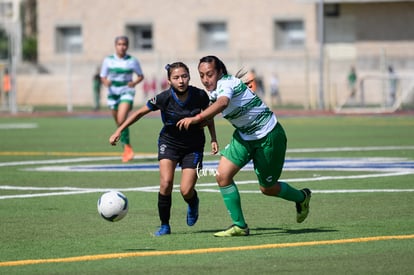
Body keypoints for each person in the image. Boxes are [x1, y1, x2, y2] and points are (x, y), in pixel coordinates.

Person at [177, 55, 311, 237]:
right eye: (201, 75)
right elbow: (212, 107)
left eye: (209, 74)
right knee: (222, 176)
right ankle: (240, 226)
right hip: (244, 137)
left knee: (267, 188)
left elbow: (222, 103)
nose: (205, 79)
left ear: (220, 72)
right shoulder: (214, 90)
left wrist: (197, 118)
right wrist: (209, 133)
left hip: (269, 136)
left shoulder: (227, 83)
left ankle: (302, 197)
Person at [109, 62, 219, 236]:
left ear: (189, 77)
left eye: (184, 76)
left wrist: (213, 138)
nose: (181, 81)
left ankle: (192, 201)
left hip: (194, 146)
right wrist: (119, 130)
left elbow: (209, 116)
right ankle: (165, 225)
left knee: (186, 190)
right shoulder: (163, 98)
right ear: (169, 81)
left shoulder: (200, 95)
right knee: (166, 183)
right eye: (176, 77)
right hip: (169, 143)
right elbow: (138, 113)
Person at [100, 36, 144, 162]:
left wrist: (134, 83)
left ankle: (128, 149)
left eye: (124, 44)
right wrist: (106, 82)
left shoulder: (132, 60)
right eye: (119, 44)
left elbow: (141, 76)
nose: (122, 46)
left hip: (126, 91)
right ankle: (127, 146)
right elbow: (102, 76)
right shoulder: (108, 60)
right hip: (113, 93)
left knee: (121, 118)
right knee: (119, 123)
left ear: (127, 46)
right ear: (115, 46)